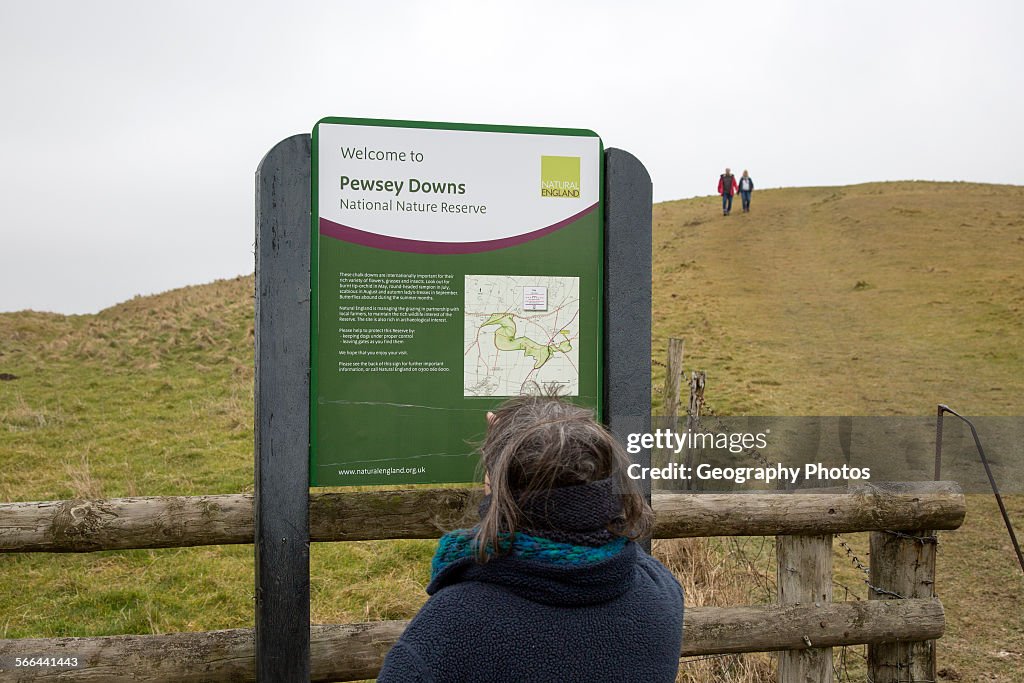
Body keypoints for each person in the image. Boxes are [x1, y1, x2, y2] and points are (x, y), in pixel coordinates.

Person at [377, 396, 685, 683]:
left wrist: (502, 455)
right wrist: (516, 451)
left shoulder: (450, 629)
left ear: (496, 490)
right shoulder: (660, 592)